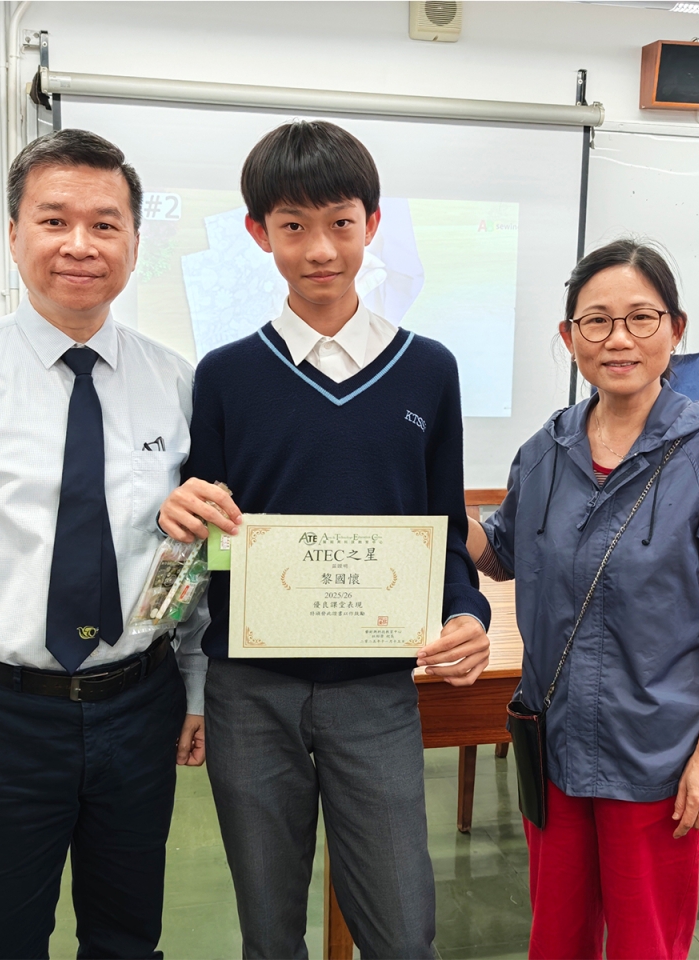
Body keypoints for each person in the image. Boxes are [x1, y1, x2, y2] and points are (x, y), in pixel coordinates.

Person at [159, 119, 491, 960]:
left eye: (340, 222)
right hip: (250, 694)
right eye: (293, 225)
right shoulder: (226, 376)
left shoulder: (429, 370)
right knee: (269, 931)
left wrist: (467, 613)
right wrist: (187, 516)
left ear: (372, 224)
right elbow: (212, 544)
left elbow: (445, 532)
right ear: (258, 233)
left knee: (402, 931)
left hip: (375, 688)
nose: (319, 249)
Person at [0, 129, 207, 960]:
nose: (80, 245)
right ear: (15, 233)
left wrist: (196, 688)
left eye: (105, 224)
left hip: (139, 704)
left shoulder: (176, 381)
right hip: (0, 714)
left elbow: (196, 551)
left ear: (134, 242)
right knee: (5, 939)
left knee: (129, 936)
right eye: (55, 221)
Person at [468, 240, 699, 960]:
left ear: (675, 330)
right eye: (596, 320)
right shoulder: (544, 451)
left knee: (647, 943)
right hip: (553, 742)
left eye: (641, 318)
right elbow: (502, 558)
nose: (619, 339)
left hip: (656, 755)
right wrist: (439, 507)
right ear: (569, 337)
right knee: (556, 939)